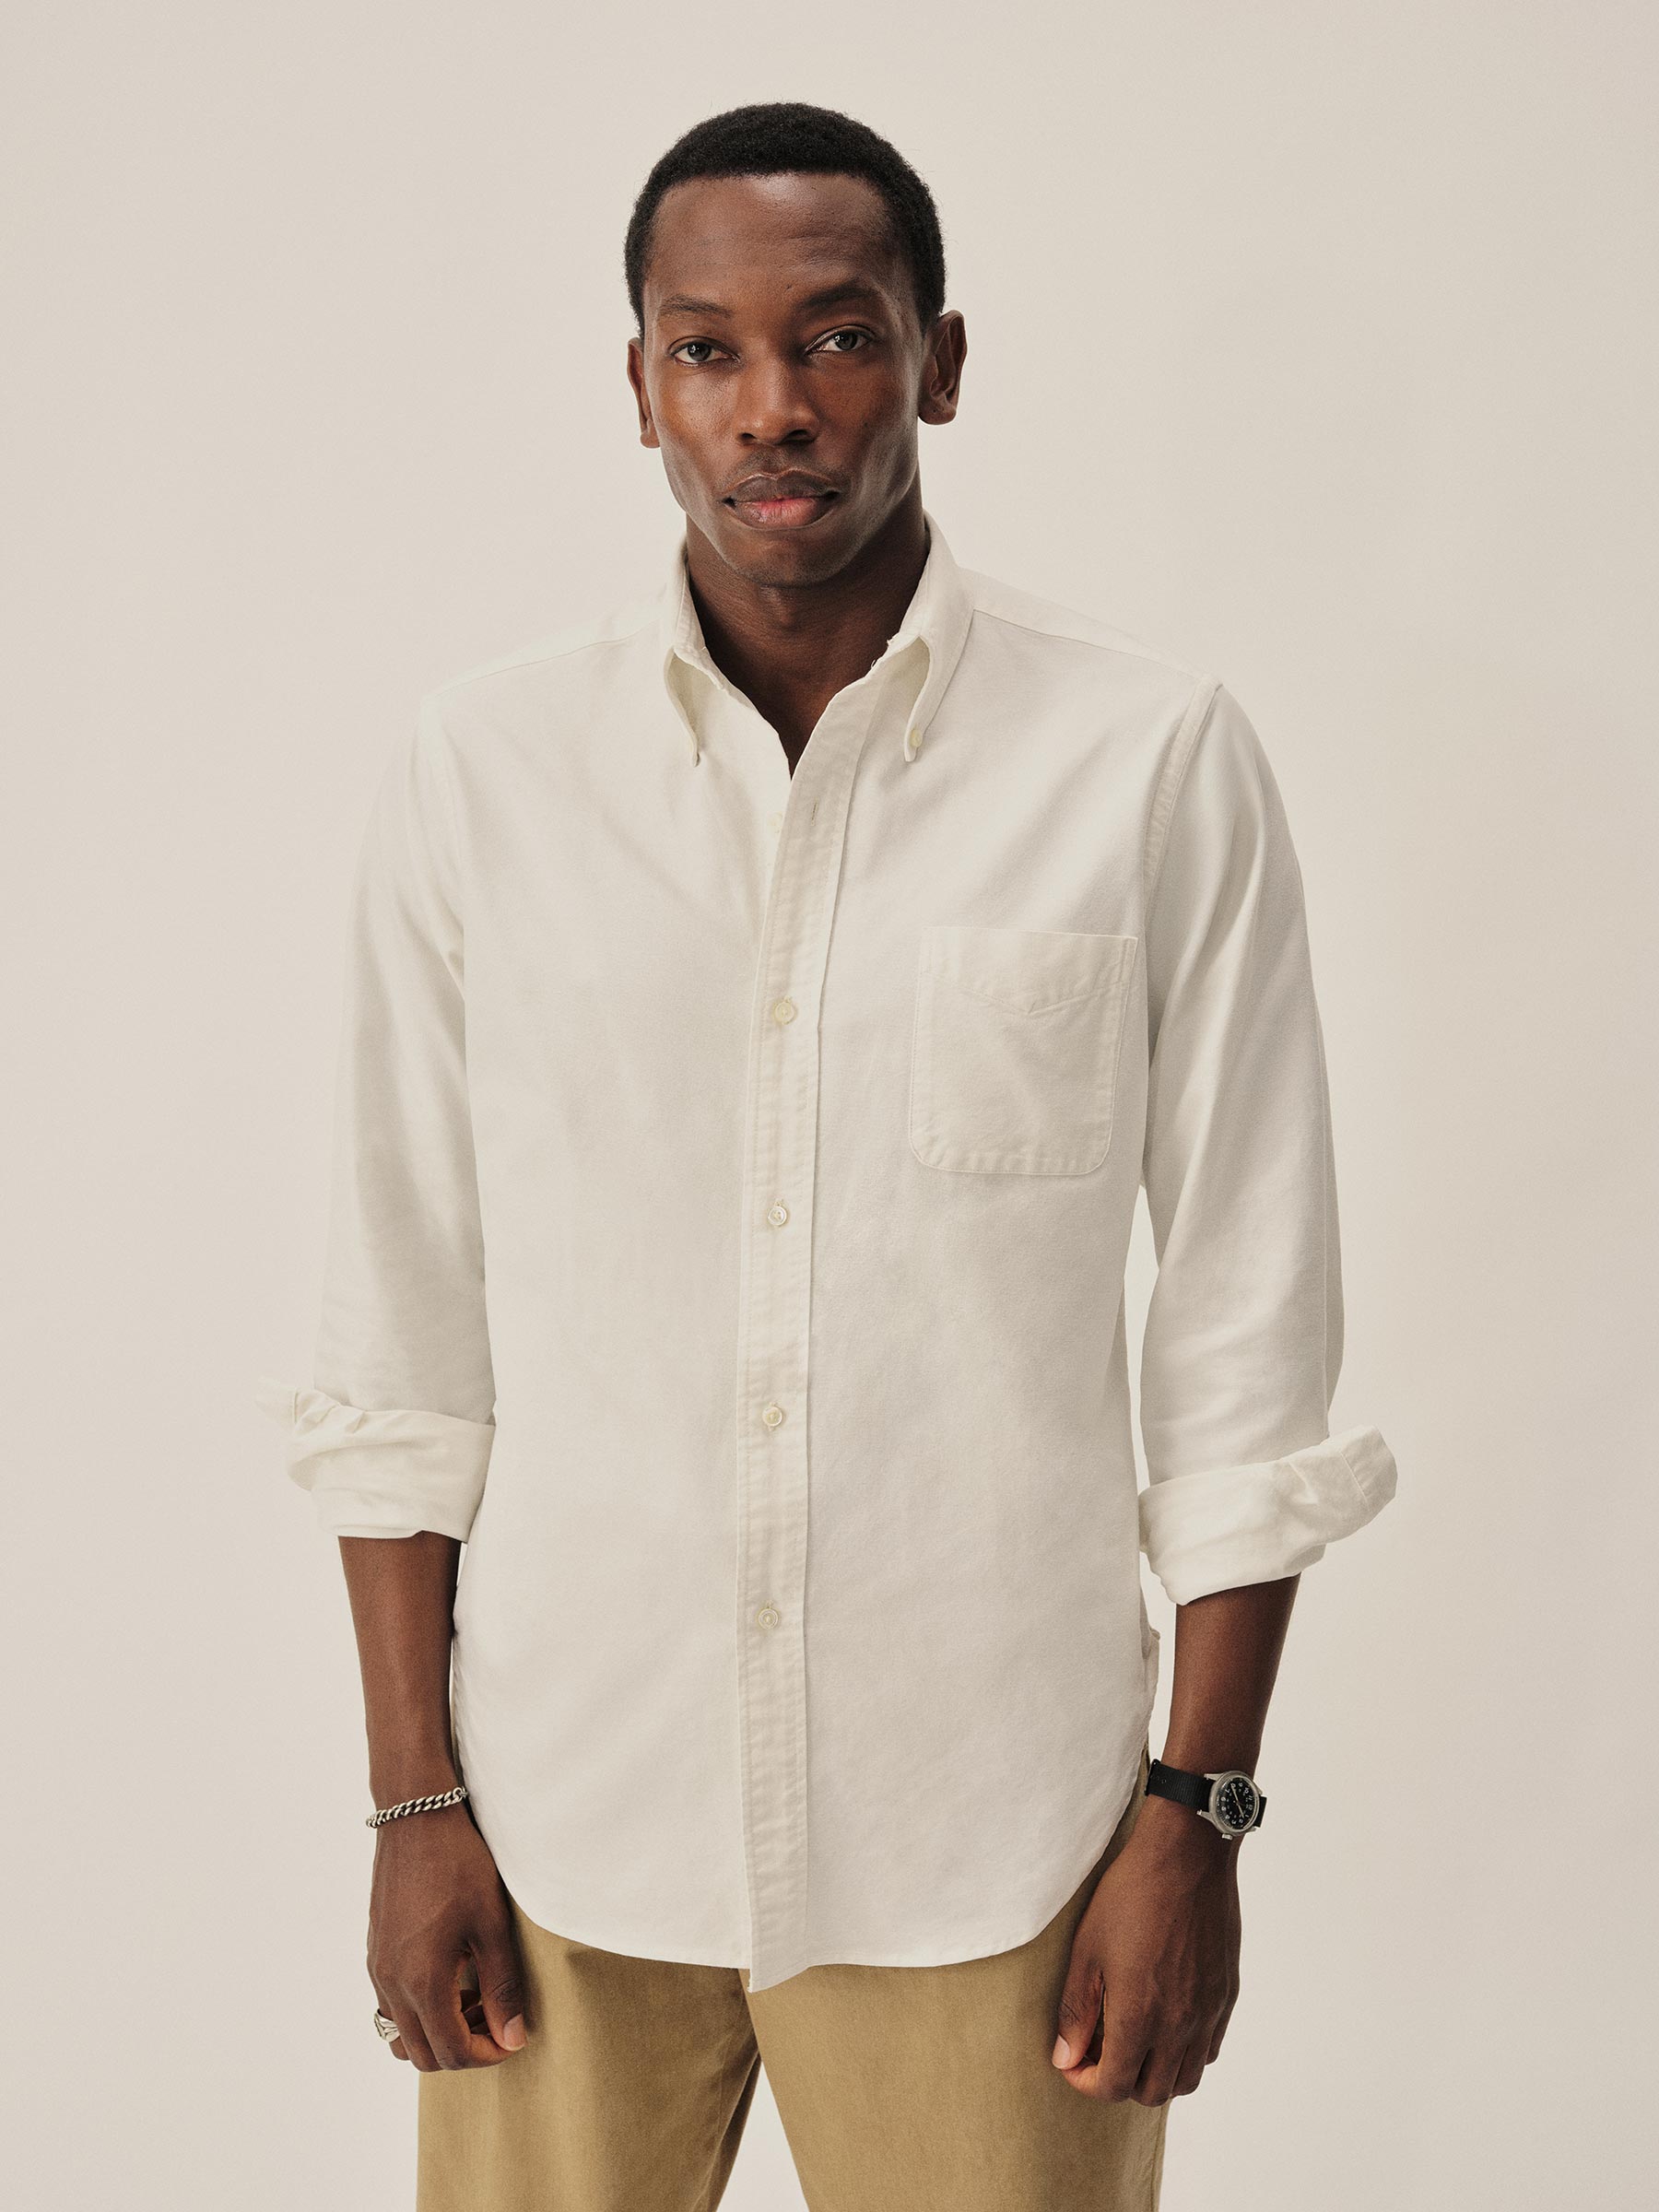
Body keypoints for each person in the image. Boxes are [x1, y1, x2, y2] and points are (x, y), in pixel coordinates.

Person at [259, 98, 1397, 2212]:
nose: (773, 408)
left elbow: (1246, 1340)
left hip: (1001, 1838)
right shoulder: (484, 775)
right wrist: (414, 1809)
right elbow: (400, 1327)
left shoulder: (1147, 762)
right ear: (640, 387)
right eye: (708, 350)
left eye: (839, 337)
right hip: (565, 1816)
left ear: (940, 363)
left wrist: (1197, 1819)